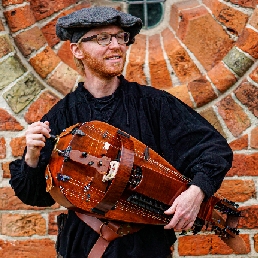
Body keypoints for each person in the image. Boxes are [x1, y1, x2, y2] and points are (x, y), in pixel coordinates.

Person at [9, 6, 233, 258]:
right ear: (77, 50)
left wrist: (196, 192)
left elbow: (214, 150)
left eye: (120, 37)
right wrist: (32, 158)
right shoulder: (62, 115)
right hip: (82, 249)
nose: (116, 45)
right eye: (103, 38)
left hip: (146, 249)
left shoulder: (154, 105)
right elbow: (36, 195)